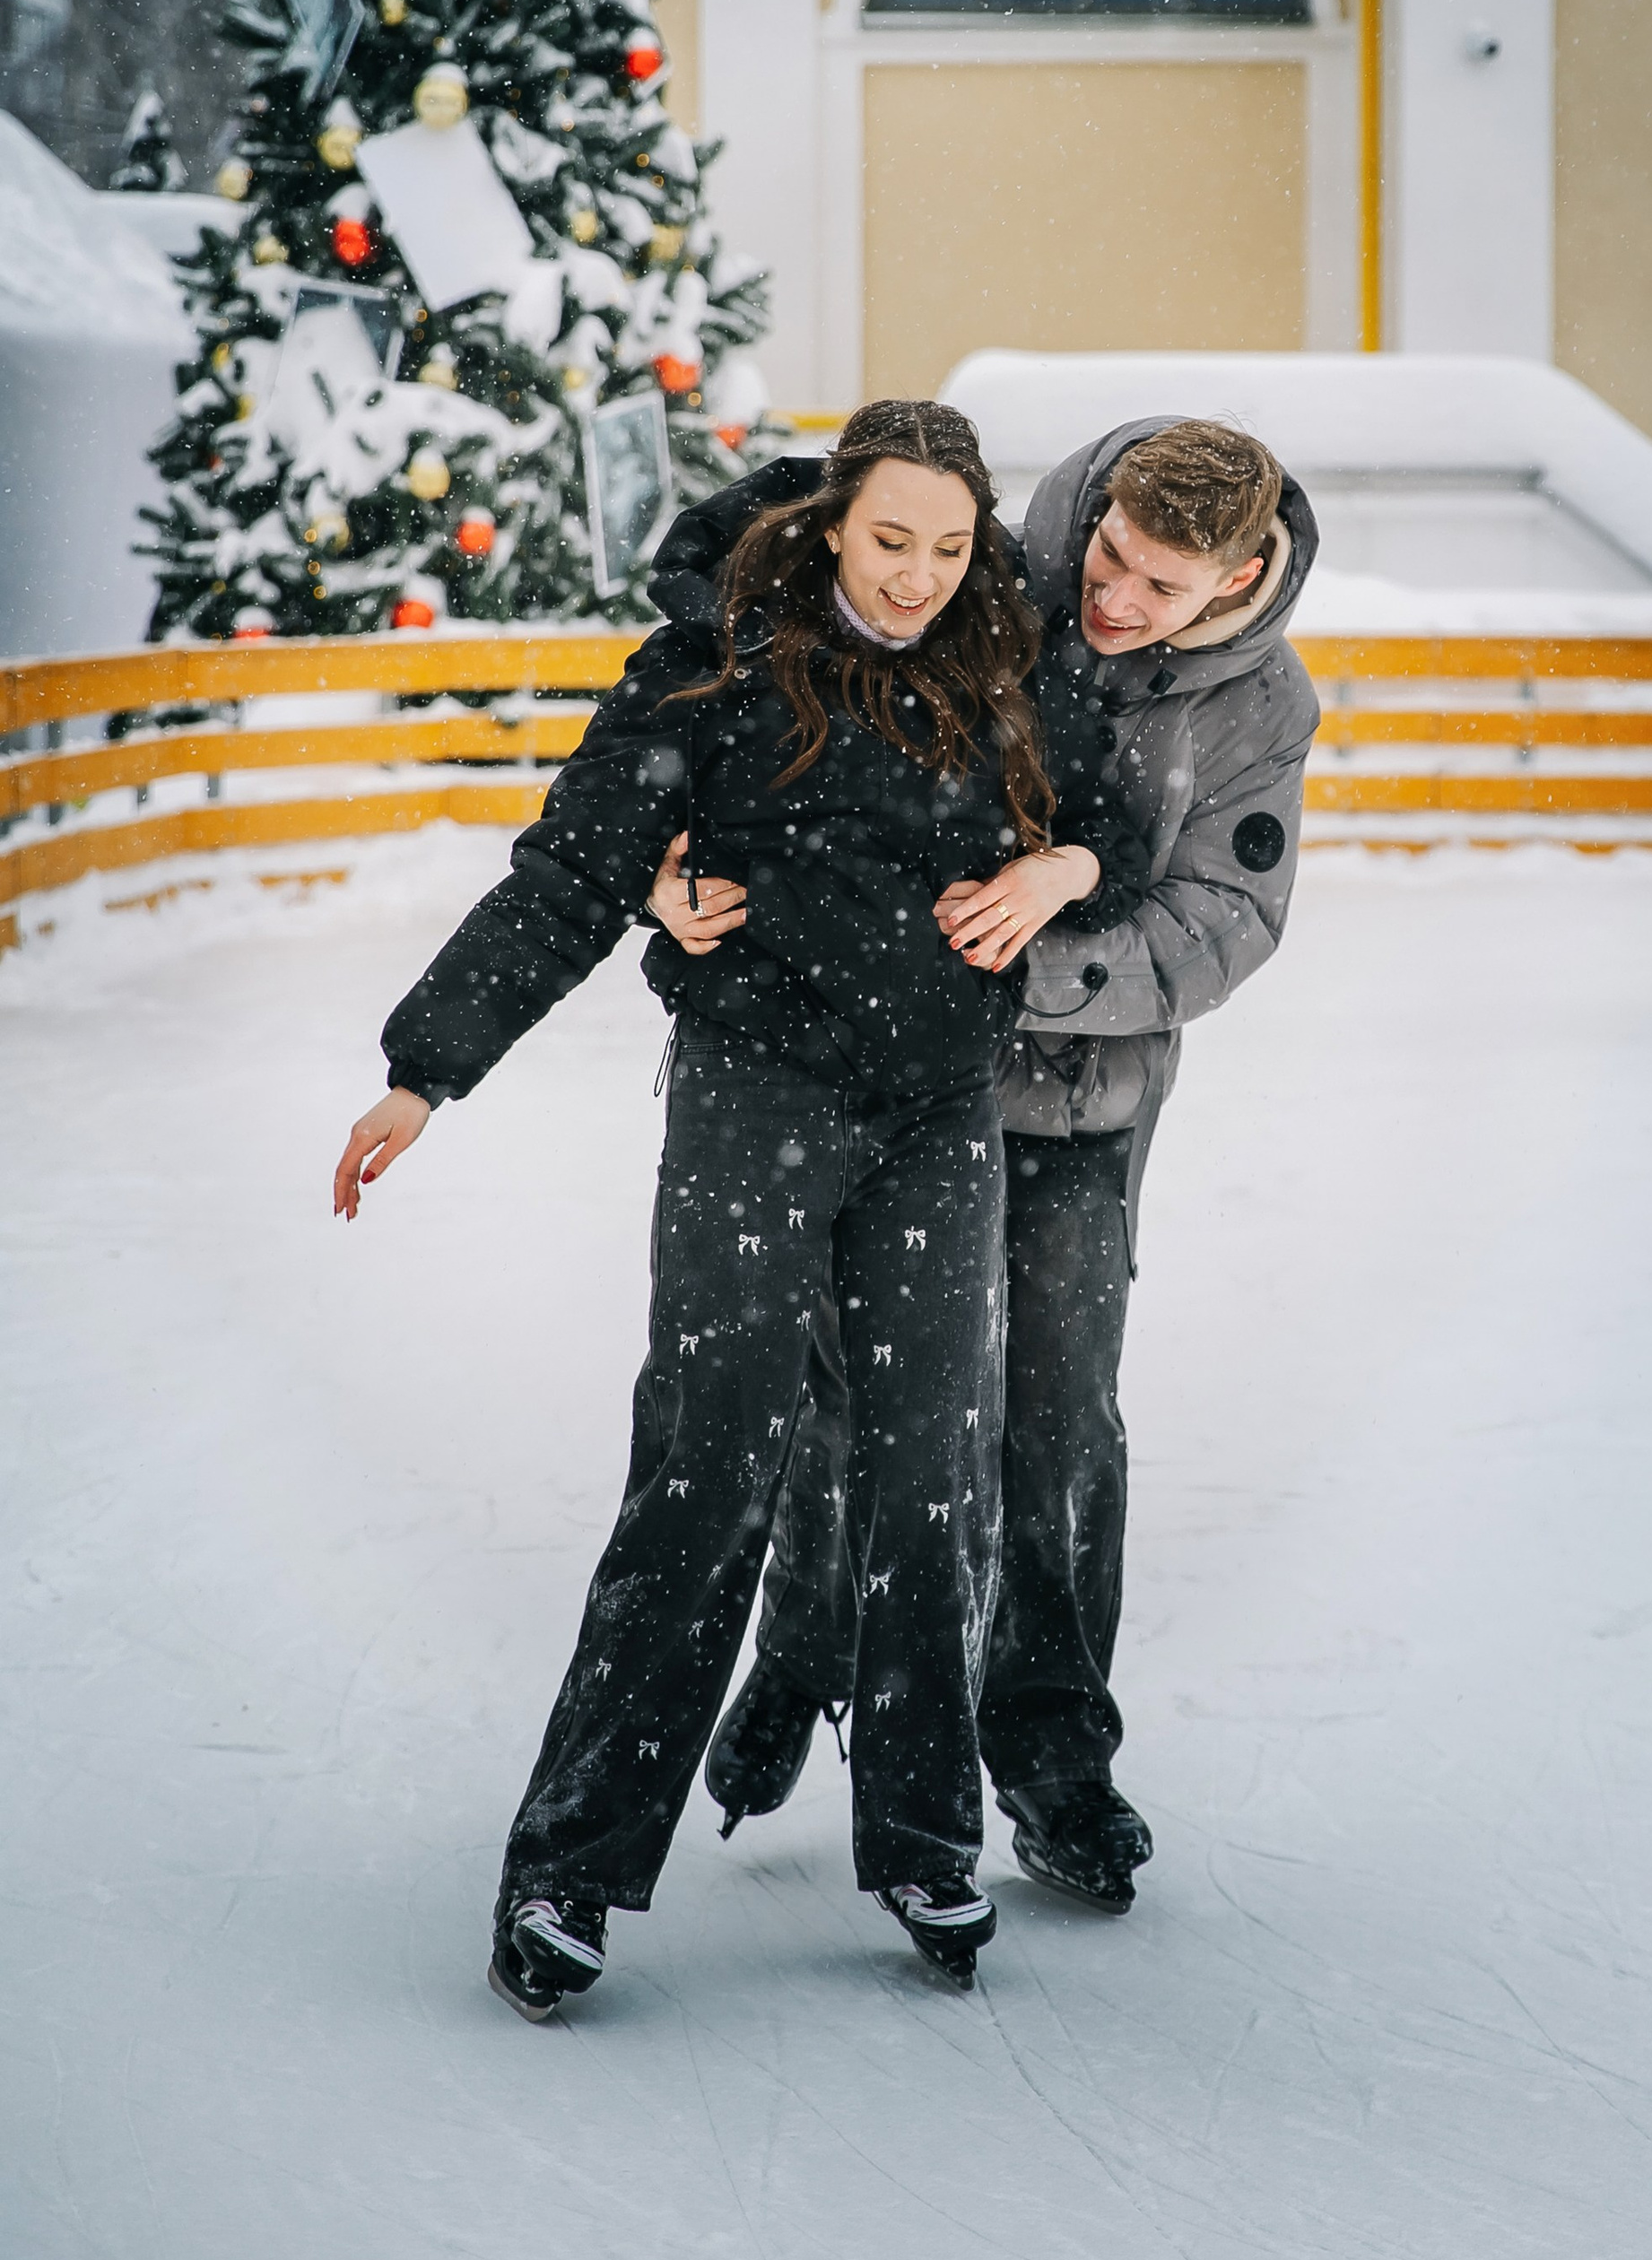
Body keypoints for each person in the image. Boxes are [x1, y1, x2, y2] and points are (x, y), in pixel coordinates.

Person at [328, 401, 1145, 2009]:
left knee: (933, 1473)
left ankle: (926, 1832)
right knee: (710, 1453)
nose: (917, 575)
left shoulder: (1012, 658)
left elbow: (1108, 814)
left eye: (949, 545)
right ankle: (570, 1865)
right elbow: (572, 868)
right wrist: (426, 1070)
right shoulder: (715, 662)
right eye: (890, 537)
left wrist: (1063, 869)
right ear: (834, 519)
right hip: (757, 1091)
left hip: (935, 1113)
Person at [684, 415, 1321, 1913]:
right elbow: (758, 569)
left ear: (1238, 578)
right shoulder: (993, 574)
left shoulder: (1262, 704)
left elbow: (1227, 921)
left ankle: (1049, 1751)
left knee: (1053, 1413)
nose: (1115, 597)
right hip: (894, 1076)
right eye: (1111, 556)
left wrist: (1022, 964)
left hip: (1078, 1106)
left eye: (1160, 586)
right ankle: (806, 1652)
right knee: (856, 1392)